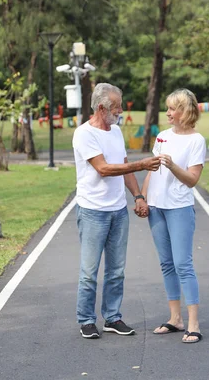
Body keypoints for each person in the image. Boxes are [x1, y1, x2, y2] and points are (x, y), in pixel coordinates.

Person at [72, 83, 161, 339]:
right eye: (117, 107)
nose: (120, 111)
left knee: (116, 270)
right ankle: (87, 320)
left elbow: (123, 166)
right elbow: (103, 168)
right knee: (89, 272)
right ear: (102, 108)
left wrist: (138, 196)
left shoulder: (116, 132)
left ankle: (112, 317)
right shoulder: (84, 134)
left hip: (118, 211)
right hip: (92, 212)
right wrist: (141, 163)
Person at [140, 88, 206, 343]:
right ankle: (175, 319)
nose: (167, 113)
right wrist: (142, 198)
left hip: (179, 207)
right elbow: (150, 171)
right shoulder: (163, 136)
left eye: (172, 108)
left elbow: (192, 180)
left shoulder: (196, 140)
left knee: (183, 264)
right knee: (166, 264)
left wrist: (172, 165)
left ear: (185, 111)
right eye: (167, 108)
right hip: (156, 207)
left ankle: (193, 323)